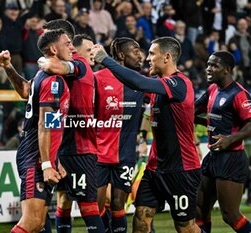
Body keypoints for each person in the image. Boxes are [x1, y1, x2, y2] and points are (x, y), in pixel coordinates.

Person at [92, 36, 201, 233]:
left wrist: (105, 59)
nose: (147, 58)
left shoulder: (178, 84)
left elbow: (139, 82)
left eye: (152, 54)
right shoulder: (158, 85)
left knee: (185, 227)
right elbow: (135, 83)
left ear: (167, 57)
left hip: (181, 170)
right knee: (140, 220)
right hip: (154, 169)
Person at [0, 29, 72, 233]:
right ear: (54, 49)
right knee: (30, 222)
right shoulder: (53, 81)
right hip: (35, 156)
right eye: (67, 43)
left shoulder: (42, 75)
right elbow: (46, 124)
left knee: (38, 224)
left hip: (40, 154)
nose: (71, 48)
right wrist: (47, 163)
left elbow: (24, 91)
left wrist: (8, 67)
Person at [40, 19, 105, 233]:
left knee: (87, 205)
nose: (45, 43)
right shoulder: (54, 75)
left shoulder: (78, 63)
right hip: (59, 146)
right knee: (60, 201)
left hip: (79, 148)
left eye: (50, 37)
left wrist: (43, 60)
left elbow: (51, 64)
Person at [195, 50, 251, 233]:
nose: (208, 69)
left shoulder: (239, 94)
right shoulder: (212, 89)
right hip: (213, 156)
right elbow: (194, 110)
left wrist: (230, 139)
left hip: (232, 158)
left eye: (214, 65)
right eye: (208, 64)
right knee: (199, 211)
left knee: (230, 215)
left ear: (226, 70)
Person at [94, 37, 146, 233]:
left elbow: (150, 111)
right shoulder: (97, 79)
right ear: (122, 55)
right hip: (98, 155)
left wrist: (143, 136)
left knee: (118, 206)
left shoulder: (141, 82)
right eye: (135, 51)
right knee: (95, 208)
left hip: (125, 156)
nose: (140, 55)